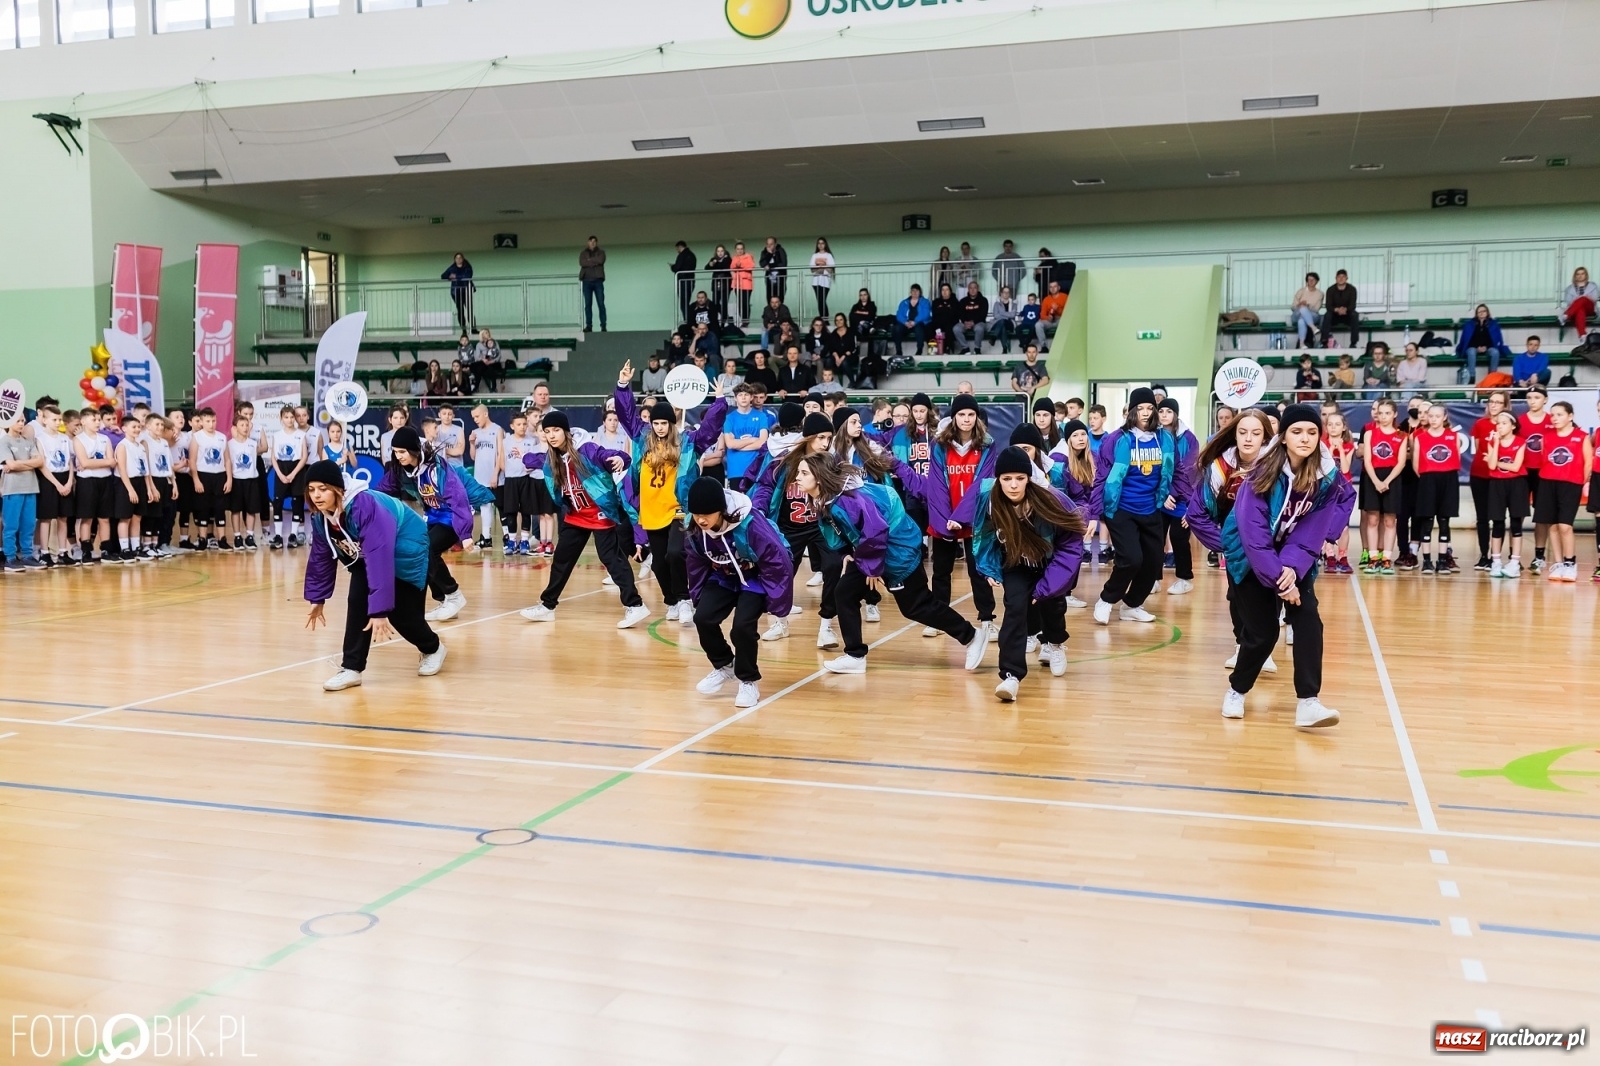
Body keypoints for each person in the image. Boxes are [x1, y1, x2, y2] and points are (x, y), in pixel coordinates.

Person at [795, 451, 990, 675]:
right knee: (844, 593)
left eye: (803, 473)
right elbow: (834, 528)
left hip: (898, 553)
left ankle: (972, 636)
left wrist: (871, 568)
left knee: (916, 607)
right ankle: (855, 656)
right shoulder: (826, 497)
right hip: (873, 553)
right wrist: (844, 553)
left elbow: (876, 531)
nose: (797, 478)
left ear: (819, 477)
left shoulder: (850, 499)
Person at [1219, 404, 1354, 728]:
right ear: (1282, 438)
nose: (1305, 438)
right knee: (1263, 634)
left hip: (1294, 557)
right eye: (1297, 431)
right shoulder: (1261, 474)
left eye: (1311, 432)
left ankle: (1309, 702)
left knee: (1308, 620)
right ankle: (1237, 690)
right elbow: (1254, 536)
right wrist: (1281, 578)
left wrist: (1293, 567)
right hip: (1249, 558)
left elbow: (1312, 530)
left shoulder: (1324, 476)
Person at [303, 461, 446, 691]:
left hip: (409, 548)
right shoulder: (322, 517)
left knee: (401, 614)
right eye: (311, 489)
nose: (317, 495)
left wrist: (379, 610)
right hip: (368, 554)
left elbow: (380, 556)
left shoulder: (364, 505)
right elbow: (321, 556)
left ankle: (433, 647)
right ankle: (351, 668)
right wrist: (317, 598)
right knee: (357, 600)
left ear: (338, 488)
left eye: (323, 488)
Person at [614, 361, 729, 622]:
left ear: (672, 422)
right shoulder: (642, 438)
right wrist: (623, 386)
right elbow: (627, 414)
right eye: (656, 423)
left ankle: (686, 599)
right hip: (651, 510)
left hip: (677, 509)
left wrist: (719, 401)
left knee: (676, 554)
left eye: (665, 423)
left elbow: (711, 429)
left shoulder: (687, 441)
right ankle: (672, 601)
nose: (660, 427)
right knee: (658, 563)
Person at [971, 447, 1086, 701]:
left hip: (1050, 563)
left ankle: (1055, 643)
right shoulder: (988, 500)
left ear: (1028, 478)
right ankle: (1010, 676)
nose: (1013, 485)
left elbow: (1070, 546)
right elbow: (983, 536)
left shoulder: (1052, 499)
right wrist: (988, 568)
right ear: (998, 479)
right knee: (1014, 608)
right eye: (1007, 479)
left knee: (1052, 606)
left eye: (1019, 478)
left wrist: (1048, 586)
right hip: (1016, 564)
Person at [518, 412, 650, 629]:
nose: (551, 435)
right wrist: (526, 458)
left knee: (612, 559)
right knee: (561, 560)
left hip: (599, 513)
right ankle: (547, 606)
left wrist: (620, 458)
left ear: (566, 432)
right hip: (575, 516)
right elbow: (535, 459)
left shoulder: (587, 450)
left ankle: (635, 605)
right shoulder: (552, 458)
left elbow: (614, 455)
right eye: (547, 431)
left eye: (556, 430)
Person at [890, 394, 998, 636]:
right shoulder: (939, 444)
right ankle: (938, 618)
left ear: (977, 417)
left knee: (978, 570)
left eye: (971, 414)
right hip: (945, 516)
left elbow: (982, 484)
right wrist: (945, 519)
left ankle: (987, 619)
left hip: (975, 516)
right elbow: (936, 486)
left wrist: (962, 516)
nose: (967, 419)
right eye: (961, 414)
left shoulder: (988, 444)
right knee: (941, 571)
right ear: (954, 417)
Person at [685, 477, 795, 709]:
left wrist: (778, 604)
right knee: (703, 618)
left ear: (722, 510)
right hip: (724, 577)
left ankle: (748, 680)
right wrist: (698, 597)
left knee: (742, 627)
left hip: (754, 578)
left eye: (707, 513)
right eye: (696, 514)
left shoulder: (751, 523)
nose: (701, 519)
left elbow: (778, 560)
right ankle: (725, 666)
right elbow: (695, 562)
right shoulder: (696, 528)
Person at [1185, 407, 1276, 671]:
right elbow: (1197, 513)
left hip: (1270, 547)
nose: (1248, 438)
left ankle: (1262, 648)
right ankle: (1242, 645)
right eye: (1243, 432)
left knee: (1269, 597)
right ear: (1233, 435)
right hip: (1236, 548)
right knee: (1238, 596)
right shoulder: (1220, 467)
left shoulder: (1277, 465)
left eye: (1256, 433)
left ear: (1266, 438)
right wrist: (1226, 543)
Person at [1089, 388, 1174, 625]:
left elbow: (1171, 472)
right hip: (1121, 509)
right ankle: (1106, 599)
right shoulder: (1117, 439)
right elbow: (1102, 478)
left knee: (1154, 561)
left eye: (1150, 408)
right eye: (1140, 409)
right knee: (1131, 559)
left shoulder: (1164, 438)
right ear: (1131, 412)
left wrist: (1171, 495)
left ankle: (1131, 605)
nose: (1146, 413)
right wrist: (1095, 513)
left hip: (1151, 508)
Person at [375, 426, 476, 622]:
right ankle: (444, 600)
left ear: (413, 450)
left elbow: (458, 498)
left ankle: (454, 594)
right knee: (419, 552)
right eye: (395, 452)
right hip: (433, 516)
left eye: (402, 452)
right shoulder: (399, 469)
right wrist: (364, 501)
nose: (399, 456)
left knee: (427, 548)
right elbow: (382, 490)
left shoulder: (438, 467)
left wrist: (465, 534)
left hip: (453, 516)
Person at [1532, 401, 1593, 582]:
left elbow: (1588, 462)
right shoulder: (1547, 437)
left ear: (1570, 416)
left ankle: (1569, 563)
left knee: (1565, 526)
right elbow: (1545, 460)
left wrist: (1583, 483)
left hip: (1570, 484)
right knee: (1552, 524)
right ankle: (1558, 563)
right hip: (1548, 483)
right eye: (1553, 415)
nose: (1555, 418)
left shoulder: (1581, 437)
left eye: (1559, 414)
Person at [1410, 404, 1463, 575]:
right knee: (1427, 521)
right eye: (1430, 416)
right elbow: (1416, 465)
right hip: (1428, 480)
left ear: (1444, 417)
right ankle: (1426, 561)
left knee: (1444, 521)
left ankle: (1442, 560)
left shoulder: (1453, 437)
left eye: (1437, 416)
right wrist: (1427, 479)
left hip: (1448, 480)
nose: (1433, 419)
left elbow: (1457, 459)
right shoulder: (1420, 438)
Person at [1156, 397, 1198, 595]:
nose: (1164, 415)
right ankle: (1153, 578)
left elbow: (1188, 471)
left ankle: (1185, 578)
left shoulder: (1189, 438)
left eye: (1168, 411)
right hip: (1161, 496)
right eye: (1161, 411)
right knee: (1156, 538)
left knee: (1178, 537)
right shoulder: (1154, 435)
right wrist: (1163, 493)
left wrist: (1172, 493)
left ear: (1176, 415)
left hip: (1183, 498)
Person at [1359, 398, 1405, 575]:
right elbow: (1368, 460)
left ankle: (1386, 558)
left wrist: (1387, 481)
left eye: (1387, 413)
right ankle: (1373, 558)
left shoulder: (1401, 436)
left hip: (1392, 478)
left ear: (1394, 414)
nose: (1383, 416)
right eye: (1380, 413)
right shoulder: (1370, 434)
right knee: (1372, 519)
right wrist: (1376, 481)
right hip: (1373, 477)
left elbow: (1401, 463)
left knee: (1389, 520)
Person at [1466, 390, 1509, 570]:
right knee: (1482, 518)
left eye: (1498, 402)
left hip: (1499, 477)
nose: (1493, 405)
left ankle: (1496, 556)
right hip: (1479, 475)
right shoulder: (1480, 424)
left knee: (1498, 518)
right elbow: (1478, 449)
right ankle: (1484, 555)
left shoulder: (1508, 425)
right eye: (1491, 401)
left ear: (1505, 405)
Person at [1485, 410, 1528, 578]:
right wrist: (1495, 444)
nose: (1500, 426)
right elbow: (1491, 466)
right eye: (1498, 423)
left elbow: (1516, 467)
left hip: (1517, 484)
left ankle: (1514, 562)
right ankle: (1496, 561)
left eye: (1504, 423)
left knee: (1516, 523)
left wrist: (1496, 462)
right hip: (1497, 484)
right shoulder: (1492, 442)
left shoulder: (1520, 442)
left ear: (1513, 426)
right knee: (1497, 523)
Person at [0, 414, 43, 571]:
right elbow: (10, 464)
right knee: (11, 525)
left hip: (30, 487)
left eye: (23, 421)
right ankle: (10, 558)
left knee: (29, 524)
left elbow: (39, 461)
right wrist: (26, 464)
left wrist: (18, 463)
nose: (21, 423)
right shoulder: (4, 441)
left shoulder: (28, 441)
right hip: (13, 488)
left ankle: (27, 555)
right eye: (18, 421)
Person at [32, 406, 74, 566]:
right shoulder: (40, 438)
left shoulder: (64, 438)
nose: (57, 423)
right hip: (49, 479)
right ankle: (44, 552)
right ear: (44, 420)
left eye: (59, 420)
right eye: (54, 420)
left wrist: (69, 481)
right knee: (46, 518)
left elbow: (70, 462)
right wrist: (57, 484)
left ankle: (63, 551)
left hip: (64, 478)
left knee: (63, 517)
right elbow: (42, 465)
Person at [1518, 385, 1553, 573]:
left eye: (1537, 397)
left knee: (1542, 515)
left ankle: (1539, 556)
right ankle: (1514, 557)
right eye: (1529, 397)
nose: (1532, 401)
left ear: (1545, 400)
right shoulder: (1520, 421)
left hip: (1544, 472)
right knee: (1519, 513)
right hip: (1523, 472)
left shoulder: (1552, 420)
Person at [269, 405, 308, 550]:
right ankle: (278, 535)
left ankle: (293, 534)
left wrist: (293, 474)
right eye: (286, 417)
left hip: (296, 470)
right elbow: (273, 457)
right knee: (277, 502)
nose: (290, 420)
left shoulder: (300, 435)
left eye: (292, 417)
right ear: (281, 419)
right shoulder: (277, 435)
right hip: (281, 469)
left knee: (297, 502)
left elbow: (304, 457)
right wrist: (279, 473)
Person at [1322, 411, 1356, 573]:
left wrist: (1340, 449)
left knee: (1344, 527)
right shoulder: (1321, 444)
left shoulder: (1349, 445)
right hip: (1327, 488)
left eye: (1337, 424)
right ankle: (1329, 556)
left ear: (1343, 428)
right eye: (1330, 424)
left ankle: (1342, 557)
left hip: (1344, 490)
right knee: (1327, 524)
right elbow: (1325, 467)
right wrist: (1330, 448)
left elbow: (1345, 468)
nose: (1333, 427)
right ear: (1326, 427)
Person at [225, 412, 262, 552]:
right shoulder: (230, 444)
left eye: (247, 425)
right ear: (235, 427)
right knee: (236, 509)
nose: (245, 428)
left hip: (251, 479)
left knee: (251, 509)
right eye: (242, 425)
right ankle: (237, 536)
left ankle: (250, 536)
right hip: (236, 480)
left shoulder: (253, 444)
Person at [468, 404, 505, 549]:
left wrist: (495, 474)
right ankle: (486, 538)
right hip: (480, 476)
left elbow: (500, 454)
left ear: (485, 414)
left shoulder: (497, 430)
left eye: (477, 416)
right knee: (484, 507)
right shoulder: (475, 432)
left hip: (494, 476)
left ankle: (508, 537)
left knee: (501, 506)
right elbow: (473, 457)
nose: (475, 420)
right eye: (473, 417)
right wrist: (471, 443)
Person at [1455, 303, 1509, 382]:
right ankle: (1472, 377)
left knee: (1495, 352)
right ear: (1476, 314)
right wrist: (1477, 348)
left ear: (1487, 312)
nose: (1482, 313)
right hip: (1474, 347)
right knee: (1471, 352)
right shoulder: (1469, 324)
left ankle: (1492, 376)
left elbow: (1495, 340)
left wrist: (1486, 347)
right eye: (1479, 312)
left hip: (1488, 348)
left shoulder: (1493, 324)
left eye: (1484, 311)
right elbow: (1467, 340)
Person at [893, 284, 933, 356]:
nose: (915, 292)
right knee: (897, 328)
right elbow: (899, 314)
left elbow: (926, 314)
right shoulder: (904, 302)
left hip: (919, 323)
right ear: (910, 292)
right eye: (913, 291)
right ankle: (899, 351)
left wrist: (915, 321)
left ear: (920, 292)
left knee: (919, 328)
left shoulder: (925, 302)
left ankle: (919, 350)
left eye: (917, 291)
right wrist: (905, 322)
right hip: (907, 324)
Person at [1321, 269, 1358, 347]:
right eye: (1339, 277)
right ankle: (1324, 342)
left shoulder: (1352, 289)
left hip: (1347, 315)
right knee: (1327, 315)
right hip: (1334, 316)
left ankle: (1353, 343)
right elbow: (1328, 306)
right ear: (1336, 278)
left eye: (1343, 277)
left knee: (1354, 315)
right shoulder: (1330, 289)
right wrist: (1337, 310)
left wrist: (1345, 309)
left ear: (1346, 278)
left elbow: (1352, 305)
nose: (1341, 279)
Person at [1557, 266, 1597, 336]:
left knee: (1582, 299)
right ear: (1575, 276)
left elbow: (1594, 298)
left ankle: (1566, 315)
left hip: (1590, 308)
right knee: (1580, 310)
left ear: (1586, 275)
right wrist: (1580, 301)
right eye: (1578, 274)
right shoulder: (1569, 288)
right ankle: (1582, 335)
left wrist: (1581, 299)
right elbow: (1569, 301)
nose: (1580, 276)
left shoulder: (1593, 286)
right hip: (1576, 310)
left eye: (1582, 274)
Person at [579, 236, 607, 333]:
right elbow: (582, 262)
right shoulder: (583, 253)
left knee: (601, 304)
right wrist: (594, 261)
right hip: (586, 281)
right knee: (588, 305)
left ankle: (603, 326)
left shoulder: (601, 252)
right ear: (588, 242)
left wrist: (589, 261)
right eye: (591, 241)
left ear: (597, 243)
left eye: (595, 241)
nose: (593, 243)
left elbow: (600, 260)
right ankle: (589, 326)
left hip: (598, 281)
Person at [442, 253, 474, 335]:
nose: (458, 259)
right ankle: (464, 330)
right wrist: (449, 277)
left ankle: (473, 328)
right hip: (456, 292)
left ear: (463, 259)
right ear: (455, 260)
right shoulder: (452, 268)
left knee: (469, 310)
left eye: (460, 258)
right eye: (457, 258)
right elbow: (443, 275)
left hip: (466, 291)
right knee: (460, 310)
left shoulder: (467, 267)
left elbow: (467, 276)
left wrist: (455, 276)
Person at [954, 280, 989, 354]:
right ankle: (965, 348)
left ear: (978, 289)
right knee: (956, 328)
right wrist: (965, 322)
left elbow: (983, 315)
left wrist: (973, 322)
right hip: (965, 323)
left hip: (979, 322)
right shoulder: (963, 301)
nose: (972, 290)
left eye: (975, 288)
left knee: (979, 328)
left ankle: (977, 349)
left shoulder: (983, 300)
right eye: (971, 288)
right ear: (968, 289)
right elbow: (961, 314)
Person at [1291, 272, 1323, 347]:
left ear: (1317, 281)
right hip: (1297, 314)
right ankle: (1313, 327)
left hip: (1312, 315)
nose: (1311, 281)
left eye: (1313, 280)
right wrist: (1299, 305)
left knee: (1301, 320)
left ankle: (1301, 343)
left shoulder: (1320, 294)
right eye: (1309, 280)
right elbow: (1293, 307)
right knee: (1302, 308)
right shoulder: (1301, 291)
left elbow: (1316, 309)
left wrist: (1307, 306)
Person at [729, 241, 756, 329]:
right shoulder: (734, 258)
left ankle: (746, 321)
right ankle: (742, 320)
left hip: (747, 283)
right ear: (735, 250)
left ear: (744, 249)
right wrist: (738, 266)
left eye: (741, 249)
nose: (740, 251)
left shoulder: (748, 256)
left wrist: (740, 266)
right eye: (738, 249)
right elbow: (732, 266)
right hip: (737, 283)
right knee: (740, 303)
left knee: (745, 302)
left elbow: (751, 266)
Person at [670, 241, 698, 323]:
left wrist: (672, 267)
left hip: (683, 281)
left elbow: (677, 267)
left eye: (677, 248)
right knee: (687, 301)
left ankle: (687, 320)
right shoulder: (692, 255)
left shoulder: (682, 255)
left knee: (683, 303)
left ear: (679, 247)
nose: (677, 250)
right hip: (691, 280)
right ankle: (689, 319)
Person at [988, 286, 1019, 355]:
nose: (1006, 294)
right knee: (1002, 325)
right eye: (1004, 292)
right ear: (1001, 294)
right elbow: (996, 315)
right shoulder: (997, 304)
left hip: (1010, 323)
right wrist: (1007, 315)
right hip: (998, 323)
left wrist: (1001, 313)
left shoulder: (1014, 304)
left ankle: (994, 338)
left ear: (1010, 294)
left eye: (1008, 292)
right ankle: (1004, 348)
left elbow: (1013, 315)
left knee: (1003, 322)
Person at [705, 244, 733, 321]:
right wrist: (711, 264)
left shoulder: (728, 259)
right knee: (715, 303)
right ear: (716, 252)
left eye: (722, 251)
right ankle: (725, 316)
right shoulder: (713, 259)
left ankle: (724, 320)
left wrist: (715, 264)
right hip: (716, 283)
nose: (720, 253)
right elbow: (706, 268)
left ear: (724, 251)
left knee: (724, 302)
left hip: (726, 283)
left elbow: (724, 266)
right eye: (718, 251)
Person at [809, 237, 835, 319]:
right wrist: (822, 268)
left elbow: (831, 269)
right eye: (819, 243)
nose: (820, 245)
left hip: (825, 282)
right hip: (816, 281)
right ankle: (823, 318)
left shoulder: (828, 255)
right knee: (819, 301)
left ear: (825, 244)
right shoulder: (814, 255)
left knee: (822, 301)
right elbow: (812, 269)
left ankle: (825, 319)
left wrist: (821, 268)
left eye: (822, 243)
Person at [1039, 280, 1067, 349]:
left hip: (1060, 319)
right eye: (1051, 287)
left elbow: (1068, 313)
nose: (1053, 288)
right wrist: (1048, 318)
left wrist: (1057, 309)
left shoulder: (1064, 297)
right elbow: (1042, 315)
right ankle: (1044, 346)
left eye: (1055, 286)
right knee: (1038, 325)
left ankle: (1056, 345)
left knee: (1064, 323)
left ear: (1059, 287)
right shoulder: (1046, 299)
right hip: (1050, 320)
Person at [759, 236, 788, 304]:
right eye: (767, 244)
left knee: (780, 299)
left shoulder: (780, 250)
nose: (769, 246)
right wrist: (769, 254)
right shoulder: (764, 252)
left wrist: (770, 266)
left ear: (775, 244)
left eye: (771, 244)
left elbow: (783, 264)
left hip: (780, 279)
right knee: (769, 299)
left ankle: (780, 314)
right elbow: (762, 263)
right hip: (769, 280)